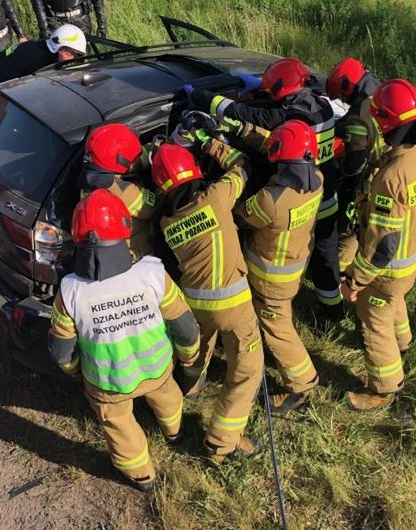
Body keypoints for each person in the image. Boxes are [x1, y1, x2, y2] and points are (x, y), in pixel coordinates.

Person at [48, 190, 200, 492]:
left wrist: (74, 371)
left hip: (107, 382)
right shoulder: (153, 273)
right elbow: (185, 327)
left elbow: (60, 349)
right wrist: (189, 356)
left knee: (117, 424)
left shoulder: (69, 291)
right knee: (168, 398)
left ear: (77, 236)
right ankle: (174, 431)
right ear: (124, 227)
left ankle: (141, 474)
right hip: (157, 369)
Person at [186, 58, 345, 325]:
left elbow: (252, 115)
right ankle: (333, 310)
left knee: (296, 248)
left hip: (297, 194)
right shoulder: (323, 107)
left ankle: (284, 303)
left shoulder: (292, 117)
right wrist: (261, 88)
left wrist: (201, 97)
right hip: (324, 190)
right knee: (326, 252)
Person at [151, 139, 264, 464]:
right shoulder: (215, 198)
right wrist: (210, 143)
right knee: (245, 373)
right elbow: (242, 166)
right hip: (234, 307)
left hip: (195, 305)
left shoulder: (165, 221)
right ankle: (221, 444)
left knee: (199, 351)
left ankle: (191, 387)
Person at [339, 79, 416, 411]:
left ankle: (384, 388)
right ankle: (404, 342)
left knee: (374, 321)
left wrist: (355, 281)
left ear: (385, 122)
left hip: (386, 270)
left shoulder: (390, 178)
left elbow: (383, 245)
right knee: (395, 302)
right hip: (411, 262)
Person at [234, 119, 324, 413]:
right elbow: (283, 149)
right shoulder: (317, 179)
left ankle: (302, 384)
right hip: (294, 266)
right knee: (282, 318)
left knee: (278, 328)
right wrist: (246, 132)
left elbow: (238, 216)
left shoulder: (269, 201)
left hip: (269, 278)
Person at [326, 58, 388, 273]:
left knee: (349, 232)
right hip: (392, 178)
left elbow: (354, 166)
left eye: (342, 96)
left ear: (347, 88)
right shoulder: (385, 94)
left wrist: (337, 163)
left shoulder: (359, 117)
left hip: (369, 184)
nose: (342, 100)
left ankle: (339, 279)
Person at [0, 23, 86, 114]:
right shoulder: (31, 57)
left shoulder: (50, 56)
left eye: (76, 55)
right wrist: (0, 111)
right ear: (56, 47)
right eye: (69, 53)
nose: (72, 59)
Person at [80, 123, 156, 259]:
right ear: (120, 161)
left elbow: (133, 161)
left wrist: (153, 148)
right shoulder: (125, 192)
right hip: (135, 256)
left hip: (106, 253)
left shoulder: (87, 179)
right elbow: (155, 208)